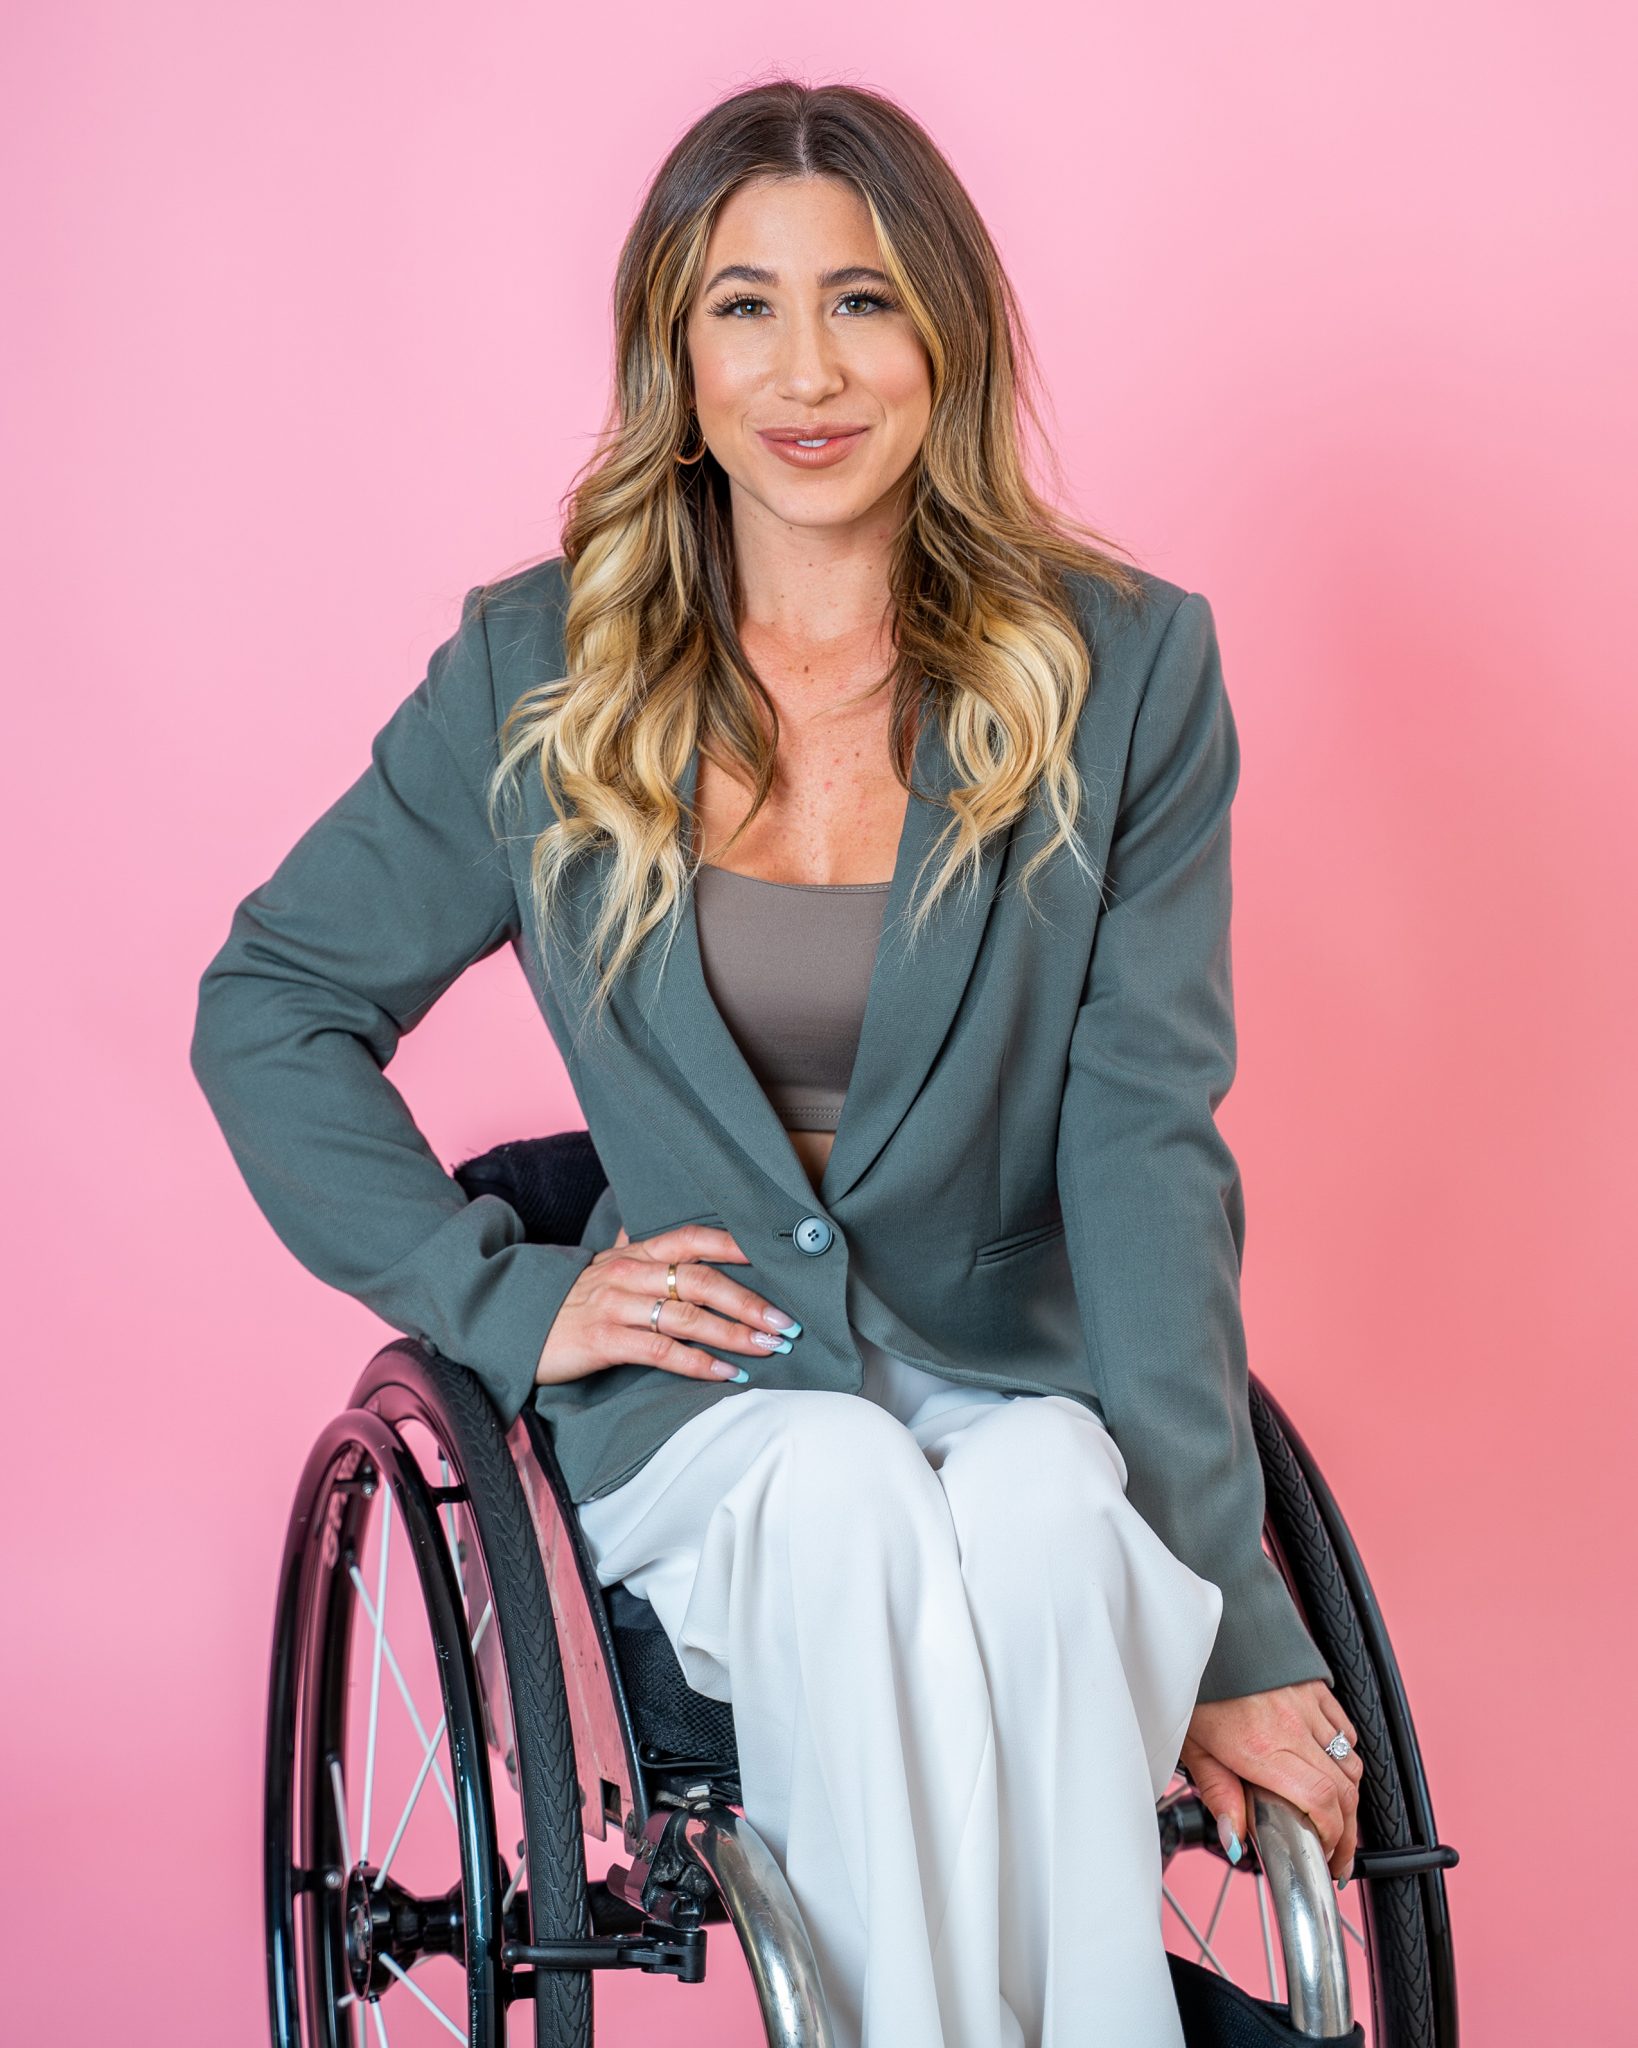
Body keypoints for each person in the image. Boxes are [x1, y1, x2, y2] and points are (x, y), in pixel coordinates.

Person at [191, 77, 1362, 2048]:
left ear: (948, 341)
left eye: (865, 303)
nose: (805, 368)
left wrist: (1237, 1628)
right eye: (745, 305)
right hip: (712, 1398)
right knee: (830, 1486)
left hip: (1014, 1356)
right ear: (674, 345)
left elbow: (1147, 1150)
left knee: (1068, 1498)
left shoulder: (1123, 671)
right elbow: (273, 1004)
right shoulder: (538, 676)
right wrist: (509, 1300)